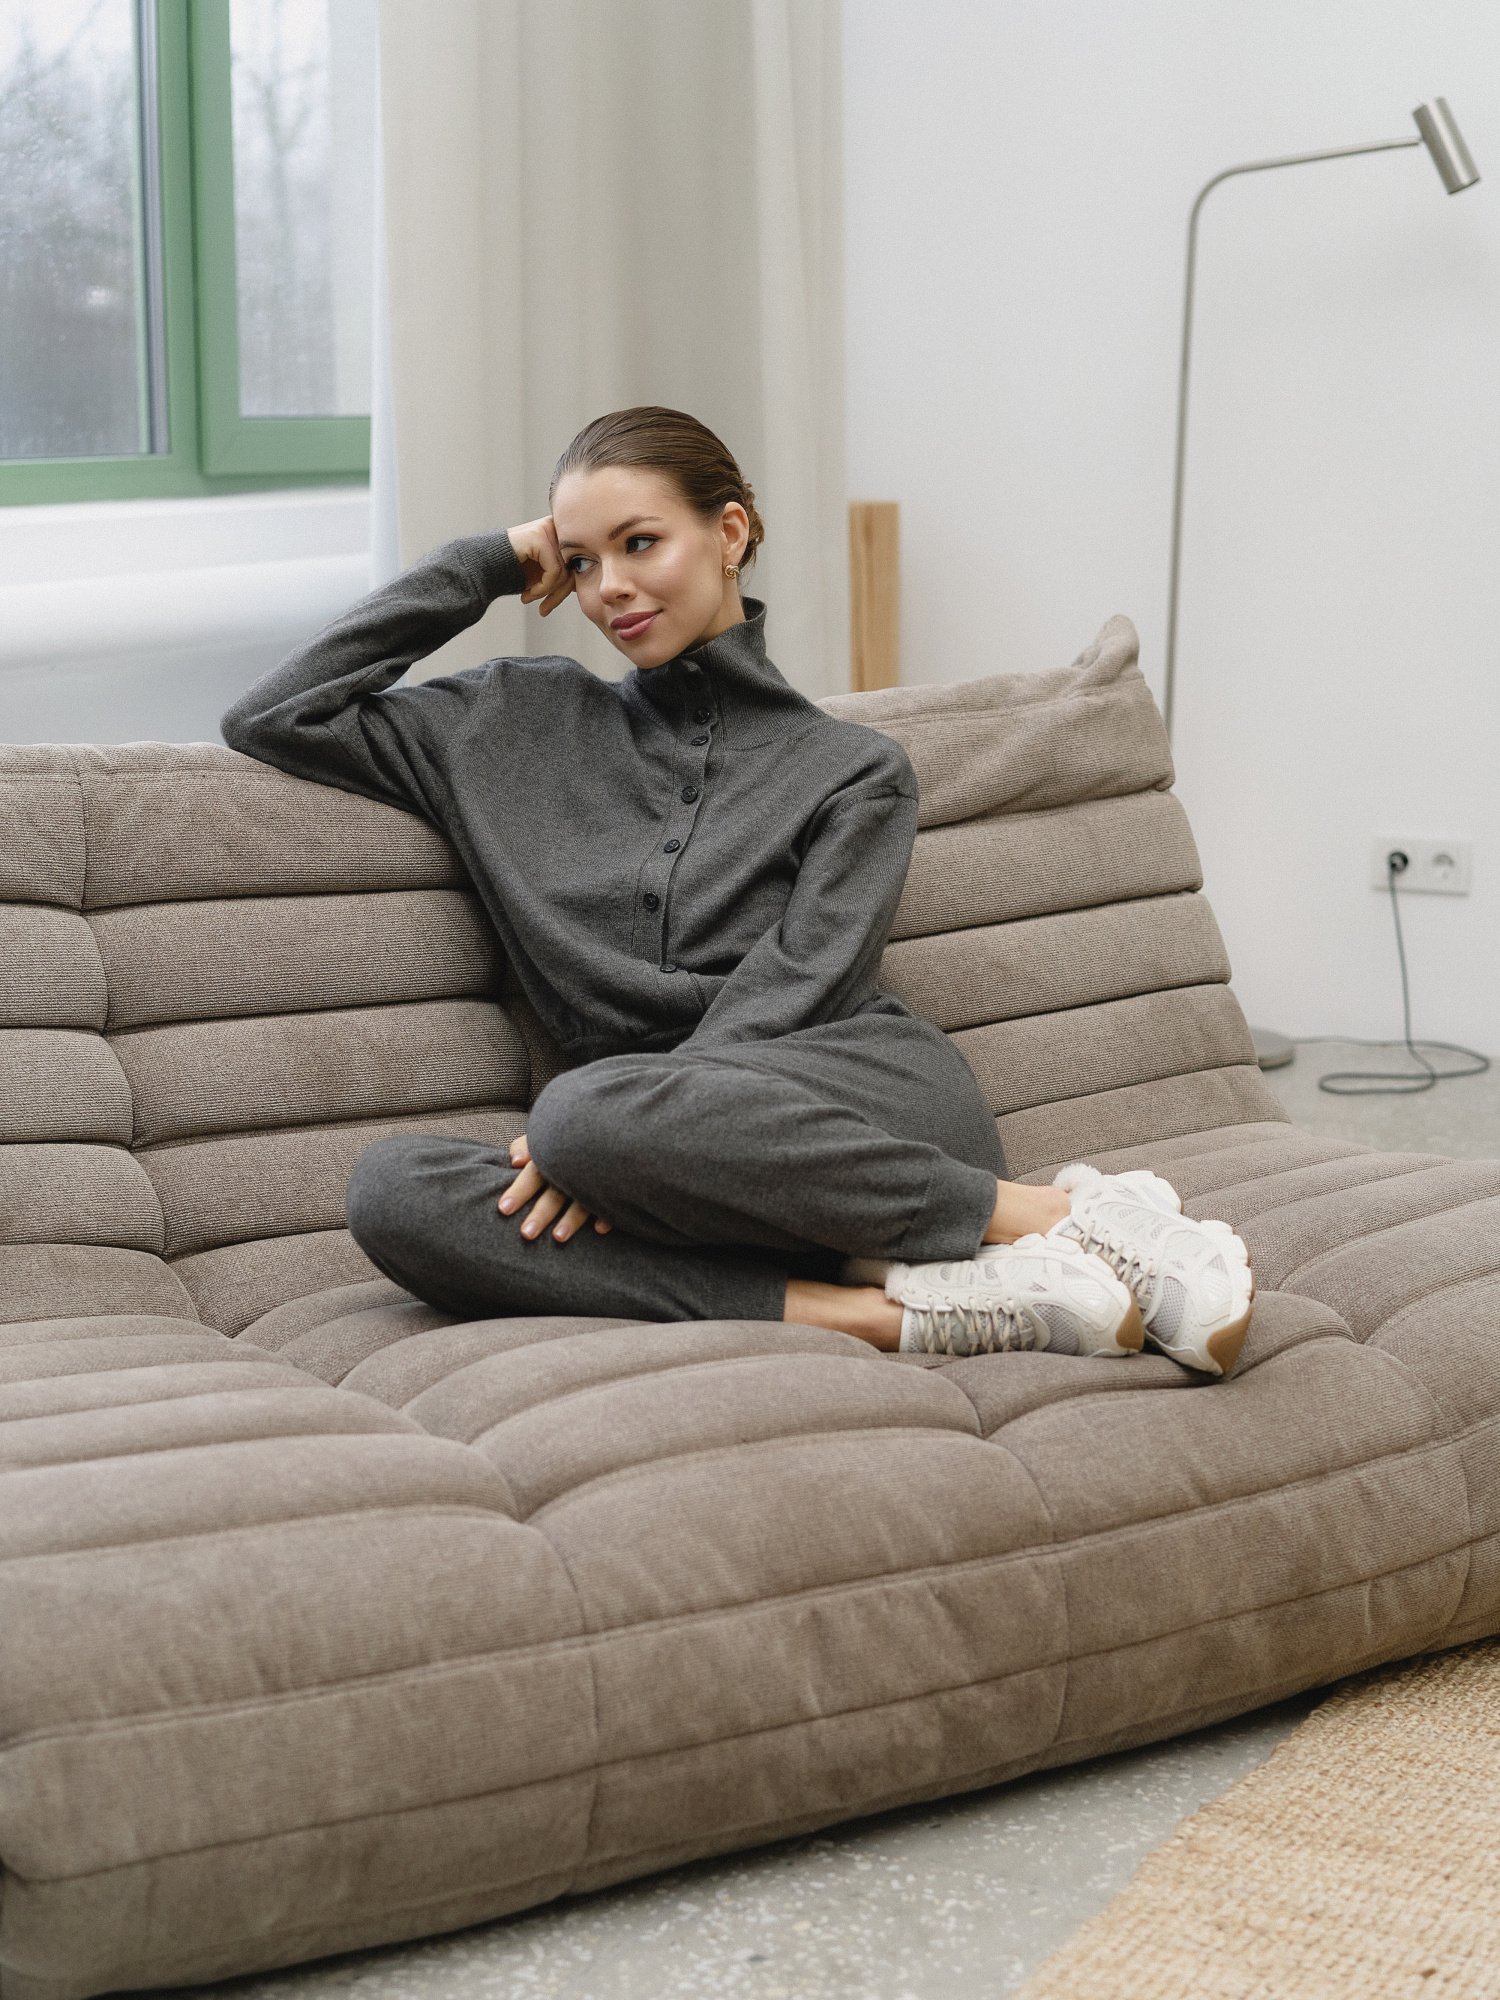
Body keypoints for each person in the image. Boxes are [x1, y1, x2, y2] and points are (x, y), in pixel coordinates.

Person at [220, 405, 1254, 1375]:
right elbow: (275, 715)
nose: (610, 587)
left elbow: (804, 982)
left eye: (640, 542)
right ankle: (890, 1311)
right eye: (580, 561)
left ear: (729, 532)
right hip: (644, 1153)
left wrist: (624, 1132)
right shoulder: (506, 721)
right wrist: (492, 561)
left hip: (854, 1100)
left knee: (578, 1113)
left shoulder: (854, 771)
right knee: (393, 1192)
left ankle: (1070, 1216)